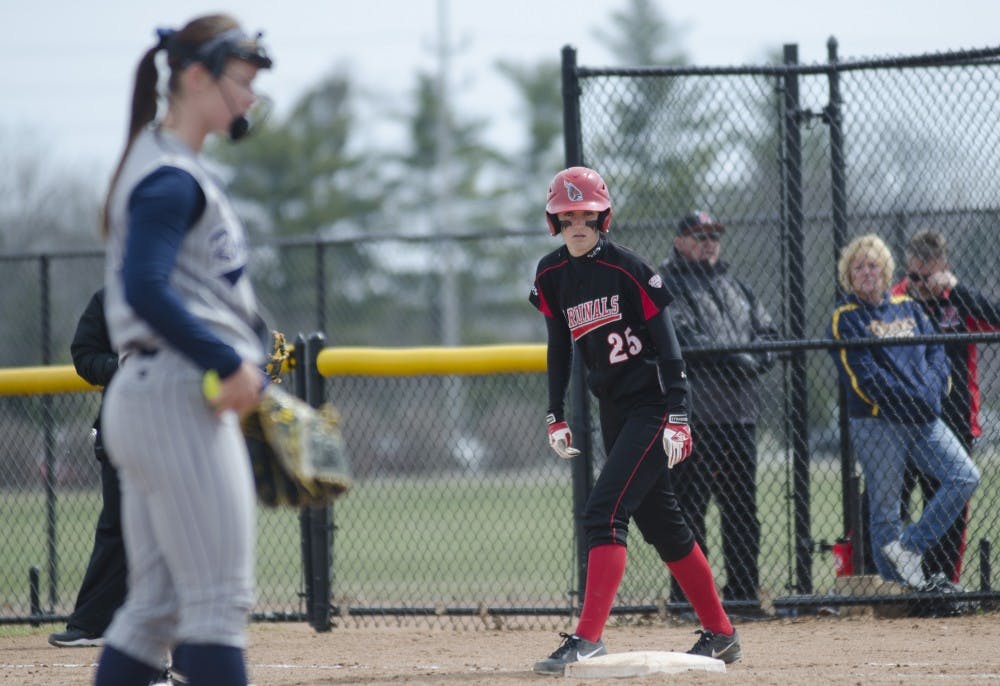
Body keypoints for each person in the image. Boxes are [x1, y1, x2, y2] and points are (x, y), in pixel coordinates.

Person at [94, 14, 272, 686]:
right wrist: (227, 360)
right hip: (177, 394)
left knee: (155, 609)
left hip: (152, 394)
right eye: (242, 79)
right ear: (196, 77)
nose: (251, 96)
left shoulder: (163, 163)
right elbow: (144, 286)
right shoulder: (170, 174)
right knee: (216, 606)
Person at [528, 167, 741, 675]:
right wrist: (555, 413)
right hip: (614, 411)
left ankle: (588, 638)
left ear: (604, 217)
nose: (578, 223)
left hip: (653, 406)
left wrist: (679, 414)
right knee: (663, 524)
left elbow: (670, 349)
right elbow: (560, 349)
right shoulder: (551, 274)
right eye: (567, 215)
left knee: (603, 512)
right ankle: (722, 635)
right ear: (554, 221)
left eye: (586, 215)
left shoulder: (630, 269)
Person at [828, 234, 980, 589]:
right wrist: (912, 400)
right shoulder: (845, 317)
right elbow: (866, 378)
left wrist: (928, 395)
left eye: (873, 265)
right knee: (885, 513)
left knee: (963, 476)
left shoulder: (908, 307)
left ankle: (911, 549)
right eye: (859, 267)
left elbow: (937, 355)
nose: (867, 272)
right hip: (878, 423)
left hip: (923, 418)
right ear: (848, 275)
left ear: (886, 270)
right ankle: (898, 593)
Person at [658, 211, 778, 613]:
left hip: (740, 416)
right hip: (697, 417)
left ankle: (744, 598)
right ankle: (690, 602)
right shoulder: (669, 285)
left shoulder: (736, 287)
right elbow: (688, 338)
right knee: (689, 512)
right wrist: (738, 358)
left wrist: (755, 357)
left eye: (713, 235)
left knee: (742, 510)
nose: (709, 241)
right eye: (699, 235)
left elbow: (768, 333)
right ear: (680, 242)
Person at [886, 229, 1000, 584]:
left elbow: (995, 317)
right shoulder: (896, 298)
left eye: (927, 277)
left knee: (949, 505)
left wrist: (956, 290)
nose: (920, 284)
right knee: (893, 502)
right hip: (903, 420)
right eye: (914, 276)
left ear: (943, 267)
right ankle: (900, 584)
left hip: (953, 419)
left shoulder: (957, 300)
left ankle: (941, 583)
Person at [48, 288, 126, 648]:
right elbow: (84, 354)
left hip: (188, 432)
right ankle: (94, 622)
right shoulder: (112, 298)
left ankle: (200, 626)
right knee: (119, 525)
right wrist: (121, 366)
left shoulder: (197, 290)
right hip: (124, 428)